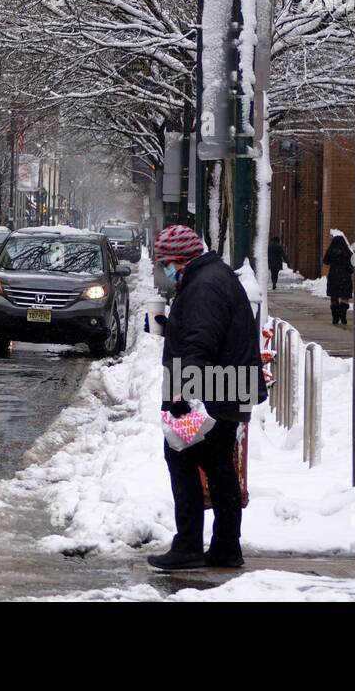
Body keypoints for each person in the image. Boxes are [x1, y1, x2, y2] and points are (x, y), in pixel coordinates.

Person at [147, 224, 264, 572]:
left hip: (212, 389)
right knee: (218, 466)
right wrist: (171, 328)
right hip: (226, 387)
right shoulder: (212, 277)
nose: (164, 269)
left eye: (165, 262)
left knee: (181, 457)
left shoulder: (204, 286)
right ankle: (226, 547)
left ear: (180, 259)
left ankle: (188, 546)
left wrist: (184, 392)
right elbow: (204, 331)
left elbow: (201, 340)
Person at [322, 234, 353, 326]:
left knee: (334, 297)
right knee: (344, 297)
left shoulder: (331, 252)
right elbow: (351, 267)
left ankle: (335, 317)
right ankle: (343, 315)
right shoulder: (347, 253)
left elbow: (325, 261)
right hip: (345, 278)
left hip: (334, 276)